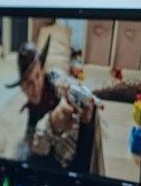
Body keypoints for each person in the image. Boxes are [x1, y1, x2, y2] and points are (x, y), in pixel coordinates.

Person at [8, 36, 99, 174]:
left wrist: (87, 118)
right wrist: (53, 122)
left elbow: (67, 84)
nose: (36, 86)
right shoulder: (28, 114)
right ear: (22, 88)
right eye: (28, 83)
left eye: (37, 76)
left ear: (43, 71)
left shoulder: (55, 82)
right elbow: (35, 148)